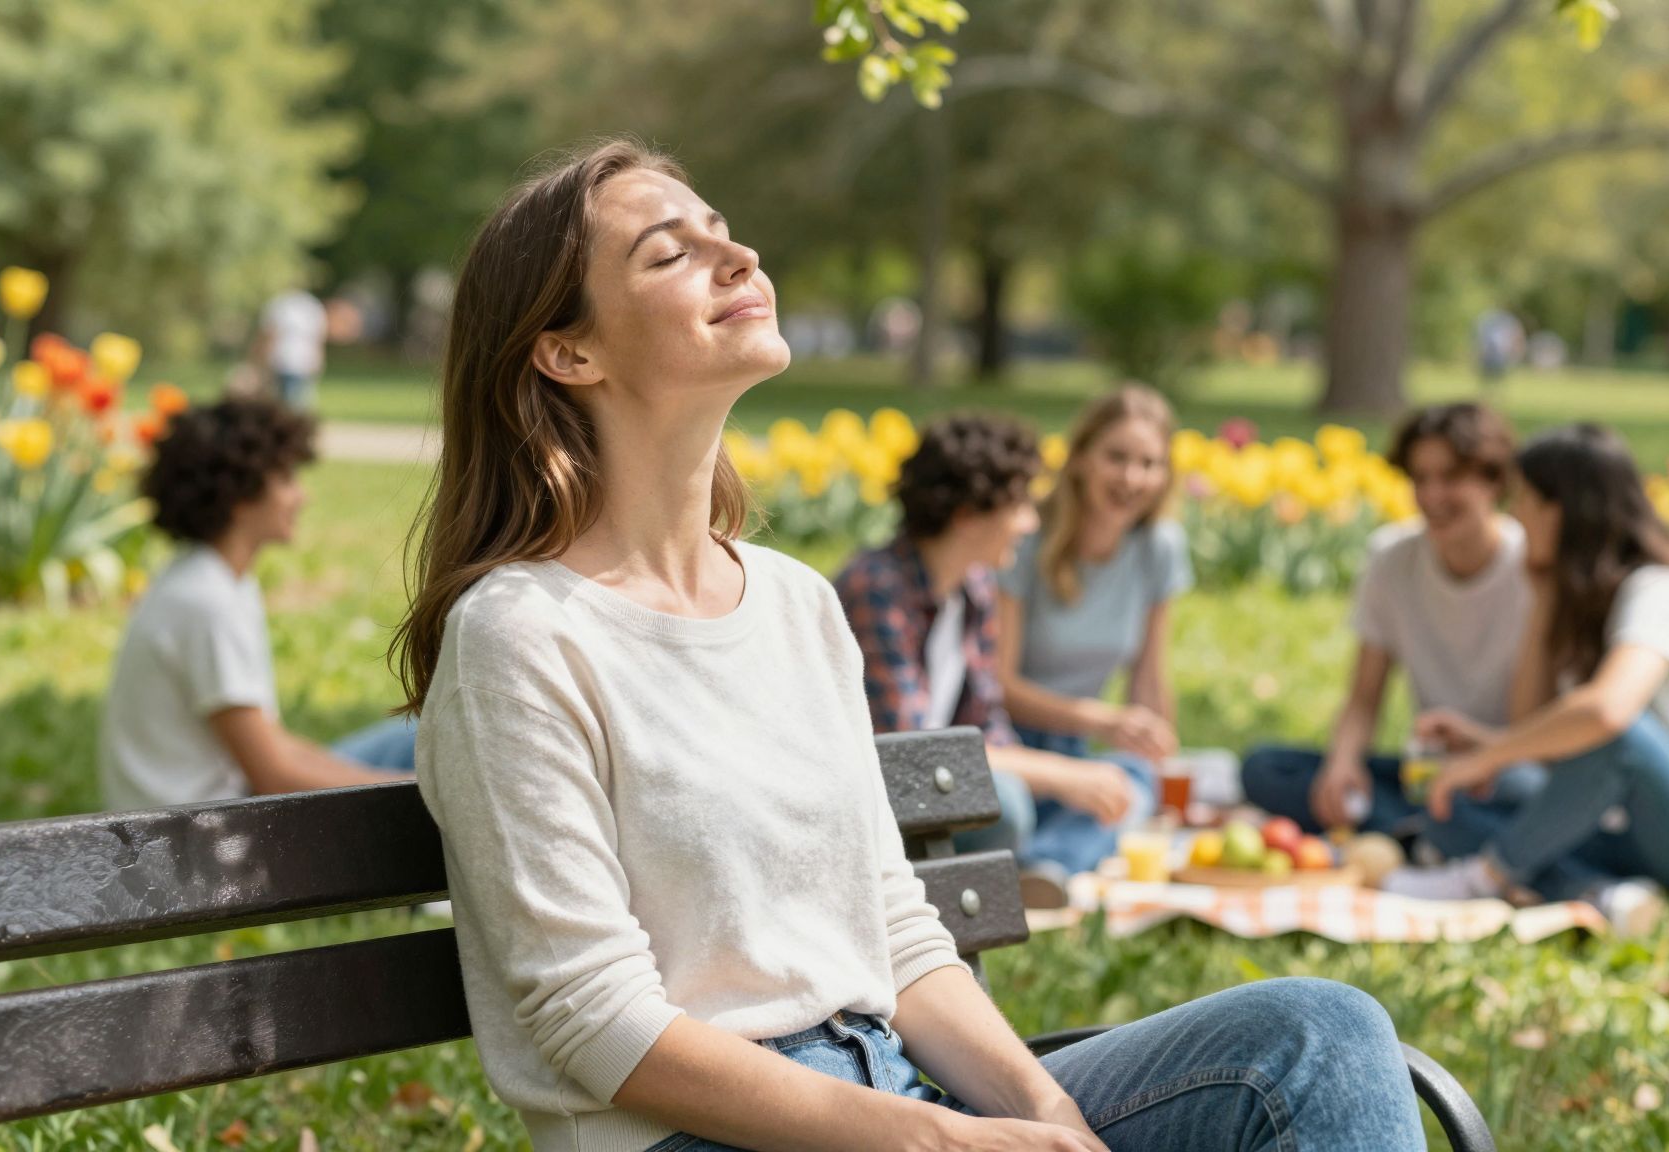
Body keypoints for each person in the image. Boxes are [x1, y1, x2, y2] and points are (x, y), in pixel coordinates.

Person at [396, 137, 1424, 1152]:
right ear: (568, 351)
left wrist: (1047, 1117)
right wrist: (931, 1141)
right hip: (701, 1133)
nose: (738, 257)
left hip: (893, 1087)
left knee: (1318, 1037)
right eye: (670, 254)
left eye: (723, 232)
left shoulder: (795, 604)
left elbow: (891, 925)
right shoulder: (523, 637)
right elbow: (593, 1024)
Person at [1382, 424, 1669, 935]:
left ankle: (1490, 875)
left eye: (1526, 498)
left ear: (1563, 508)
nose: (1516, 513)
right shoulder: (1581, 598)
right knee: (1450, 814)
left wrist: (1487, 755)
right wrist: (1541, 601)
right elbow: (1533, 725)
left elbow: (1607, 713)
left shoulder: (1658, 591)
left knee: (1622, 736)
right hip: (1624, 829)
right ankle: (1603, 894)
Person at [835, 413, 1157, 908]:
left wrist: (1069, 777)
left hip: (942, 790)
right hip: (870, 807)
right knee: (1005, 803)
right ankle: (965, 893)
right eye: (1020, 504)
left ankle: (1042, 867)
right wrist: (1057, 776)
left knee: (1128, 779)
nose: (1030, 523)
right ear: (967, 514)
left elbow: (986, 723)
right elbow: (912, 754)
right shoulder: (877, 589)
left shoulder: (973, 589)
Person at [1241, 403, 1542, 859]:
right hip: (1428, 775)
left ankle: (1412, 835)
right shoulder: (1392, 559)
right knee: (1265, 768)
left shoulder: (1532, 569)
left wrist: (1484, 754)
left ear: (1493, 481)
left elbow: (1542, 726)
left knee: (1522, 792)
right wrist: (1343, 763)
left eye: (1450, 478)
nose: (1432, 495)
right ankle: (1423, 838)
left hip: (1503, 770)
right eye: (1420, 479)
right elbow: (1364, 698)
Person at [98, 397, 414, 812]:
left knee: (430, 739)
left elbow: (271, 742)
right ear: (239, 493)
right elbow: (274, 776)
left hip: (228, 809)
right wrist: (410, 790)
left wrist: (394, 781)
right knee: (431, 752)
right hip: (213, 841)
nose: (301, 497)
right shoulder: (206, 604)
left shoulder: (213, 579)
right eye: (285, 479)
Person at [994, 385, 1191, 783]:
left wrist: (1157, 758)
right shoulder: (1025, 539)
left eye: (1150, 463)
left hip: (1078, 742)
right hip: (1006, 740)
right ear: (1081, 458)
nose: (1132, 478)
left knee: (1135, 782)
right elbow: (999, 685)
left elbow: (1149, 679)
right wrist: (1102, 721)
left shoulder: (1159, 546)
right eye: (1116, 457)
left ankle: (1058, 844)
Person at [253, 285, 328, 410]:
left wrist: (261, 357)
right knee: (295, 397)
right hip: (301, 359)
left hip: (284, 359)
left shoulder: (279, 305)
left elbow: (270, 334)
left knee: (286, 399)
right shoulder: (312, 306)